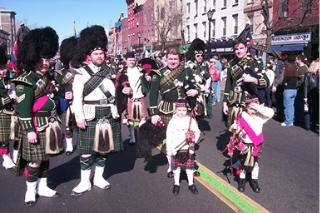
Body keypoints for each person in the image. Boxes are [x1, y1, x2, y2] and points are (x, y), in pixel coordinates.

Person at [71, 25, 123, 196]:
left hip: (108, 112)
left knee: (103, 149)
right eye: (96, 54)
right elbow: (76, 98)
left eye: (101, 53)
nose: (99, 56)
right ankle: (85, 182)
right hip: (90, 112)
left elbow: (116, 94)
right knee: (86, 152)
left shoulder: (111, 71)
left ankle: (99, 178)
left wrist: (125, 93)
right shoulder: (81, 73)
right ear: (90, 55)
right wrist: (78, 116)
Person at [13, 27, 60, 206]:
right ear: (33, 58)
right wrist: (29, 131)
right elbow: (23, 111)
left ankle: (43, 186)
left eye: (47, 59)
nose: (44, 63)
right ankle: (30, 191)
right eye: (41, 59)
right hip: (35, 126)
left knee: (46, 158)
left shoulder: (49, 78)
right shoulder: (25, 81)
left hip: (49, 124)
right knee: (34, 162)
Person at [148, 47, 198, 178]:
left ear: (179, 59)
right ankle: (171, 166)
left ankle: (189, 165)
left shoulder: (186, 71)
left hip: (183, 107)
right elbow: (153, 94)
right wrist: (154, 113)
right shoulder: (158, 73)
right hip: (166, 108)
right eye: (170, 59)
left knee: (187, 137)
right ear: (166, 59)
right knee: (169, 139)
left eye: (175, 59)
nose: (173, 61)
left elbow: (194, 85)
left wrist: (195, 91)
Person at [226, 95, 274, 193]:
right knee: (243, 164)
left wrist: (258, 107)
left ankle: (254, 180)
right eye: (251, 108)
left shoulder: (260, 117)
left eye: (255, 108)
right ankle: (241, 181)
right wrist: (234, 128)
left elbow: (271, 113)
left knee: (255, 164)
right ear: (246, 107)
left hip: (256, 145)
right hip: (245, 145)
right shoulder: (241, 117)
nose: (253, 111)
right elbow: (232, 129)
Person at [223, 38, 269, 128]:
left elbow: (266, 82)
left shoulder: (255, 62)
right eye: (236, 49)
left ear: (246, 49)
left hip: (249, 103)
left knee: (249, 134)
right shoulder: (231, 64)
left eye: (241, 48)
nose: (239, 51)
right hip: (234, 103)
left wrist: (253, 79)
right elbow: (228, 84)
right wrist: (224, 103)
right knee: (234, 132)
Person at [166, 99, 200, 195]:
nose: (182, 112)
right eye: (179, 110)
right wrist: (170, 148)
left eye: (184, 110)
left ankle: (191, 184)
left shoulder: (191, 120)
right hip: (176, 149)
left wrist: (193, 140)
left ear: (187, 110)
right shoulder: (172, 121)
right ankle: (176, 184)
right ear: (176, 110)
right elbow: (169, 135)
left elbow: (197, 132)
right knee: (176, 167)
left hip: (188, 149)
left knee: (189, 167)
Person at [115, 52, 149, 145]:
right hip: (128, 98)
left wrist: (147, 79)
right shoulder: (122, 72)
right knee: (130, 121)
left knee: (142, 119)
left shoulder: (141, 70)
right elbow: (118, 86)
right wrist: (123, 90)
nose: (132, 62)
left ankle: (141, 136)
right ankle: (132, 136)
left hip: (139, 97)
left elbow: (146, 83)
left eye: (133, 60)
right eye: (130, 60)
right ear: (126, 60)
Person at [55, 36, 78, 155]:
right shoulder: (61, 74)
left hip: (80, 102)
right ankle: (69, 146)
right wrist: (64, 94)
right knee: (68, 127)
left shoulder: (83, 72)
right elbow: (58, 89)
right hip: (67, 104)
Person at [185, 38, 212, 118]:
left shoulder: (204, 65)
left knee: (199, 115)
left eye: (202, 55)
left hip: (200, 93)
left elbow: (208, 77)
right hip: (190, 93)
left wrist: (207, 87)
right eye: (198, 56)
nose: (200, 57)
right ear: (194, 56)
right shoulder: (188, 65)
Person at [0, 47, 16, 169]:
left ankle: (13, 155)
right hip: (1, 111)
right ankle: (5, 157)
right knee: (4, 138)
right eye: (0, 69)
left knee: (14, 134)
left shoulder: (8, 78)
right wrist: (10, 98)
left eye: (4, 67)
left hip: (10, 110)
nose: (3, 71)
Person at [303, 58, 319, 132]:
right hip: (309, 94)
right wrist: (305, 96)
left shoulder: (318, 74)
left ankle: (313, 124)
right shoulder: (308, 74)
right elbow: (306, 86)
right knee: (308, 110)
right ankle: (307, 125)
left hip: (316, 94)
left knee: (315, 110)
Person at [281, 61, 298, 127]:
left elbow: (283, 83)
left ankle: (287, 121)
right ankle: (291, 121)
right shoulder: (295, 76)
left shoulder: (287, 76)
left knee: (287, 107)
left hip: (288, 91)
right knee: (291, 106)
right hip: (294, 90)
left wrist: (285, 84)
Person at [294, 55, 308, 126]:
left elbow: (302, 80)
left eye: (296, 59)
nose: (295, 60)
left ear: (299, 60)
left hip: (300, 89)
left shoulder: (303, 68)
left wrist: (295, 85)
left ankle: (300, 120)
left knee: (300, 105)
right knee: (297, 105)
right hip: (298, 89)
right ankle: (298, 119)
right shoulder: (299, 67)